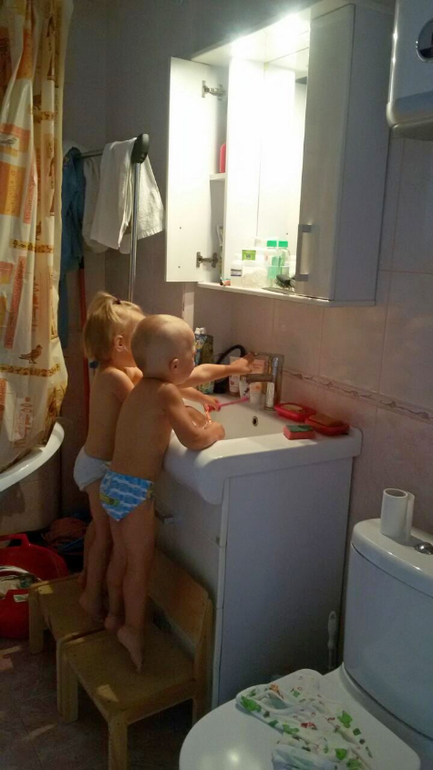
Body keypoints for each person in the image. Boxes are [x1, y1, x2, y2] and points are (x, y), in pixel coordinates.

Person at [74, 293, 252, 621]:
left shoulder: (124, 370)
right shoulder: (116, 376)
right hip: (98, 467)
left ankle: (94, 589)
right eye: (137, 340)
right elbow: (152, 405)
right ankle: (91, 597)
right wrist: (189, 412)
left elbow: (178, 381)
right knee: (104, 539)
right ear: (120, 344)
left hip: (108, 472)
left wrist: (213, 381)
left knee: (104, 538)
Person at [100, 315, 225, 670]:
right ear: (174, 366)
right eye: (192, 355)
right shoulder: (168, 391)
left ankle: (113, 615)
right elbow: (193, 439)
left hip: (112, 485)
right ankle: (133, 630)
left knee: (120, 558)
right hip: (135, 493)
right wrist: (215, 430)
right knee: (140, 568)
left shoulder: (142, 387)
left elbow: (160, 421)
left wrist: (189, 413)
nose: (194, 360)